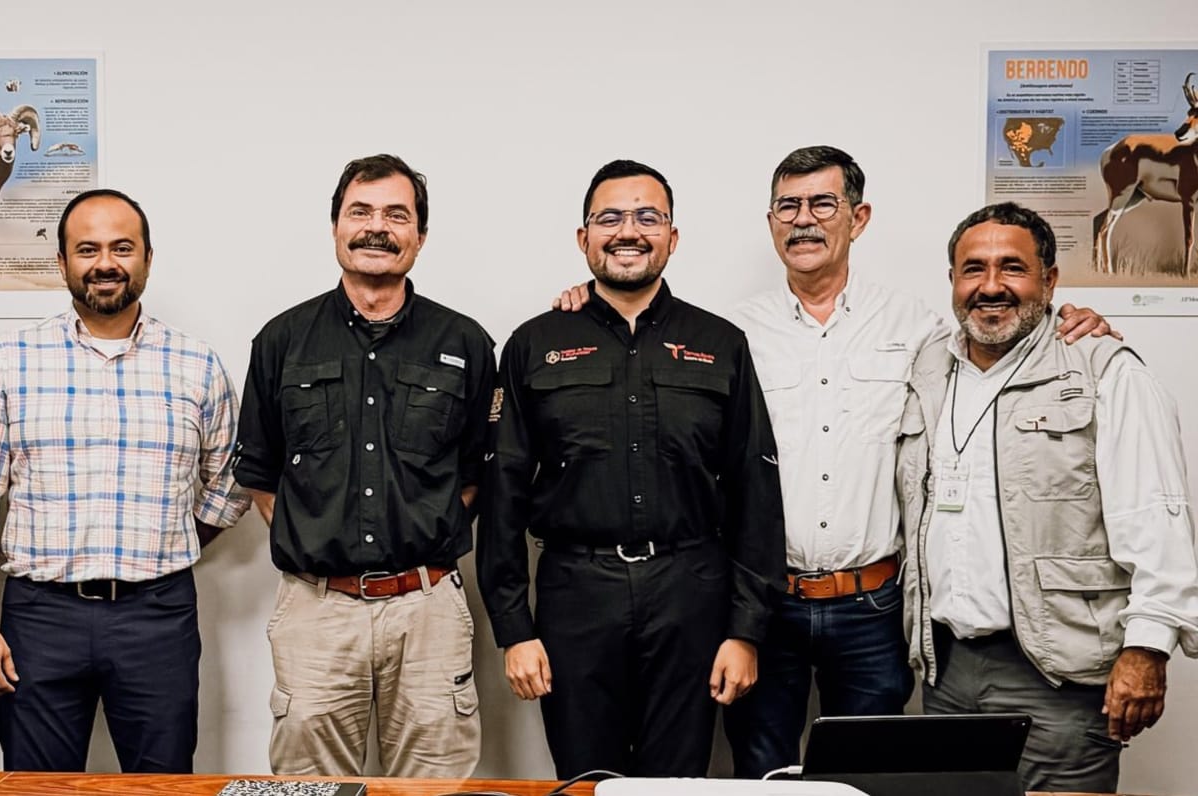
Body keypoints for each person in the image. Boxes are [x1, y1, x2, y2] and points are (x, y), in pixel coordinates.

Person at [554, 147, 1115, 778]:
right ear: (771, 222)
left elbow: (997, 340)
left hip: (872, 607)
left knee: (865, 777)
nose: (804, 220)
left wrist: (1067, 320)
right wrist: (587, 305)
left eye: (823, 203)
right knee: (761, 774)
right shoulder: (728, 336)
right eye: (788, 206)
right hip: (765, 605)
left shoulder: (919, 328)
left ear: (858, 217)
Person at [479, 159, 785, 777]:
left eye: (648, 217)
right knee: (586, 780)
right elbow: (502, 492)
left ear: (672, 236)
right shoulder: (535, 344)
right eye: (610, 217)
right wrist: (514, 630)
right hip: (576, 595)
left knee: (677, 784)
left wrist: (746, 630)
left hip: (689, 594)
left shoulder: (721, 343)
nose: (628, 231)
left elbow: (756, 489)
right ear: (583, 237)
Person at [0, 188, 250, 773]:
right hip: (41, 616)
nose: (105, 263)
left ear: (147, 258)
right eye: (87, 249)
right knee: (36, 790)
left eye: (121, 248)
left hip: (157, 616)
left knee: (163, 787)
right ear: (62, 262)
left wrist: (173, 540)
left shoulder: (197, 365)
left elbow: (231, 481)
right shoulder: (10, 360)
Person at [898, 202, 1198, 792]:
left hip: (1057, 673)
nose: (990, 286)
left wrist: (1148, 649)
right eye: (973, 269)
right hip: (947, 671)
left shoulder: (1104, 370)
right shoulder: (929, 367)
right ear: (953, 280)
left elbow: (1157, 518)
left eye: (1012, 267)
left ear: (1051, 280)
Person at [233, 154, 496, 777]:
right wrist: (317, 539)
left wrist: (420, 539)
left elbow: (477, 473)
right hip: (316, 609)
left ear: (420, 236)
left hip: (429, 610)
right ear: (335, 227)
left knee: (434, 789)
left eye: (396, 215)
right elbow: (261, 475)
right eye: (361, 212)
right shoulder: (282, 341)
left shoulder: (465, 343)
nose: (377, 227)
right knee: (311, 790)